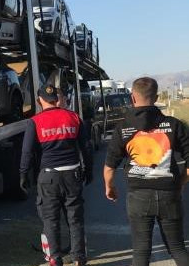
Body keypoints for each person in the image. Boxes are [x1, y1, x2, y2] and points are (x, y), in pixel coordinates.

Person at [104, 77, 189, 266]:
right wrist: (180, 183)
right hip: (170, 194)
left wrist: (109, 187)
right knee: (177, 248)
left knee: (141, 251)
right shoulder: (174, 125)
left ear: (132, 98)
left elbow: (109, 167)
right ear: (156, 97)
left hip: (139, 197)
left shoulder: (123, 127)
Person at [20, 83, 93, 266]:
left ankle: (55, 258)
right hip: (72, 174)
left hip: (48, 177)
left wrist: (23, 175)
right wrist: (89, 170)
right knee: (75, 218)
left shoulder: (34, 122)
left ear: (40, 100)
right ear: (56, 99)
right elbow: (86, 147)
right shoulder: (74, 117)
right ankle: (79, 259)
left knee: (51, 219)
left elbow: (27, 153)